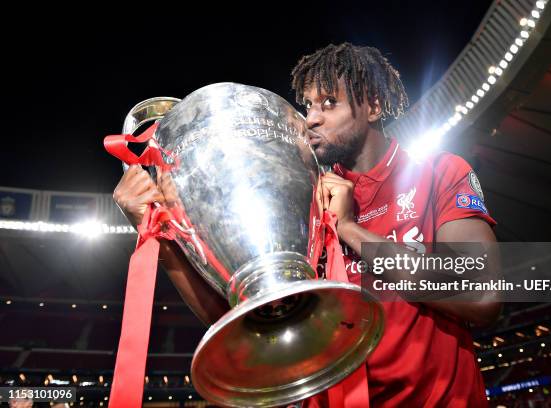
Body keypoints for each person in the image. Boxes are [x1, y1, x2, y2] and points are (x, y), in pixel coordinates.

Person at [113, 42, 501, 407]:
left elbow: (480, 297)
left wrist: (349, 229)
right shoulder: (302, 195)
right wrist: (159, 236)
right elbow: (248, 324)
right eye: (308, 104)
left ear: (374, 107)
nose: (311, 118)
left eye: (329, 103)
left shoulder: (441, 173)